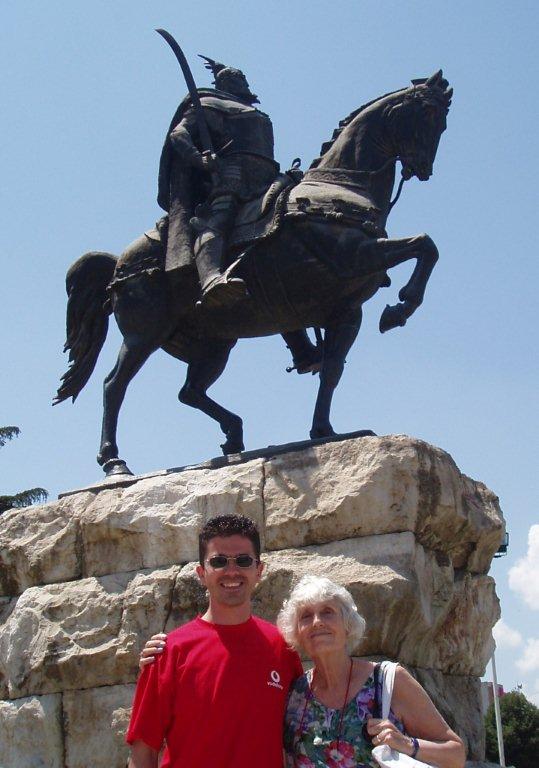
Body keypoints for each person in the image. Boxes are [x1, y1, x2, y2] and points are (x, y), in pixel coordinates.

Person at [141, 574, 466, 768]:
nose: (317, 623)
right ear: (295, 632)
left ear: (347, 623)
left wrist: (406, 744)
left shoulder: (388, 681)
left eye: (328, 612)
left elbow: (456, 754)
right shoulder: (296, 692)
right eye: (306, 616)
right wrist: (161, 655)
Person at [126, 514, 303, 768]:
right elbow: (143, 753)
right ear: (201, 573)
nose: (231, 571)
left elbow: (305, 737)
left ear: (259, 570)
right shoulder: (167, 653)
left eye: (243, 561)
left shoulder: (283, 648)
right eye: (219, 561)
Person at [158, 55, 279, 309]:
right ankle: (210, 278)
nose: (243, 82)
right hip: (233, 175)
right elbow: (179, 135)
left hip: (269, 176)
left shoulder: (256, 112)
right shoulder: (210, 104)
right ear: (225, 83)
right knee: (220, 220)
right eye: (236, 78)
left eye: (242, 78)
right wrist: (200, 159)